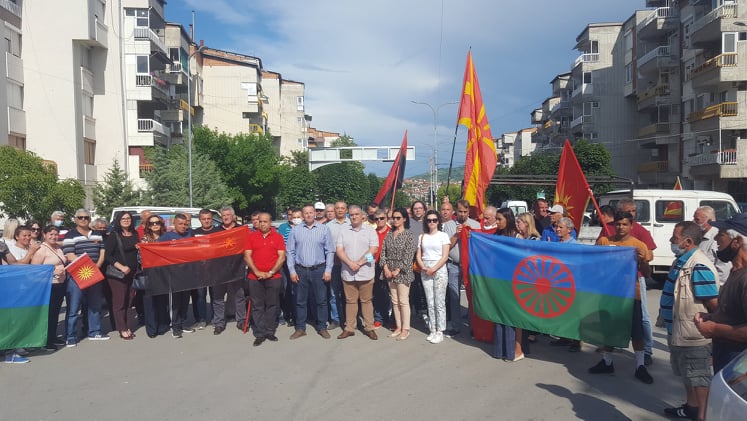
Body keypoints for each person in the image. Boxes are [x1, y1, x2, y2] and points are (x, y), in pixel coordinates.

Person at [660, 221, 719, 421]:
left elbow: (713, 304)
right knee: (687, 374)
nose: (671, 240)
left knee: (699, 377)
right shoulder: (681, 260)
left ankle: (702, 415)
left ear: (688, 241)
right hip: (677, 331)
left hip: (693, 335)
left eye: (675, 238)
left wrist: (712, 330)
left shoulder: (698, 265)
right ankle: (691, 407)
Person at [590, 211, 654, 384]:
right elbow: (594, 264)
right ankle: (607, 361)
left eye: (625, 224)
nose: (621, 227)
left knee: (636, 331)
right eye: (618, 224)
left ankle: (640, 365)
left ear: (631, 226)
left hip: (631, 294)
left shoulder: (639, 245)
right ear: (613, 225)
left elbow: (646, 274)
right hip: (609, 293)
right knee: (608, 329)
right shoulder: (604, 242)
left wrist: (643, 261)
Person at [695, 213, 747, 373]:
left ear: (736, 242)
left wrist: (715, 328)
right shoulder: (735, 271)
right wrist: (712, 317)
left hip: (739, 364)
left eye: (721, 234)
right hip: (726, 357)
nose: (716, 238)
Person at [614, 198, 657, 366]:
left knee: (642, 317)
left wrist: (642, 259)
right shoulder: (606, 236)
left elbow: (648, 255)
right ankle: (608, 356)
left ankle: (646, 351)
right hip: (613, 283)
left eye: (633, 211)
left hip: (635, 281)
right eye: (628, 211)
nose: (631, 214)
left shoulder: (640, 234)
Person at [286, 204, 335, 340]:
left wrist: (328, 270)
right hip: (300, 270)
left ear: (315, 214)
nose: (308, 215)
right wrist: (291, 271)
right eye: (305, 213)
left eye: (311, 212)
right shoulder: (296, 231)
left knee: (321, 300)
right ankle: (300, 328)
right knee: (300, 301)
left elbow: (330, 251)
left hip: (319, 269)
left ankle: (322, 327)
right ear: (302, 215)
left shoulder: (324, 229)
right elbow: (290, 251)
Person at [62, 209, 109, 346]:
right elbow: (69, 255)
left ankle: (94, 331)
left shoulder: (97, 234)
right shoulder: (69, 236)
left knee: (95, 305)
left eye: (86, 217)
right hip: (77, 275)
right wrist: (87, 269)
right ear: (75, 219)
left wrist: (96, 267)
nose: (83, 219)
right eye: (80, 217)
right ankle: (71, 336)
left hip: (94, 273)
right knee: (74, 307)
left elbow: (102, 251)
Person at [335, 205, 379, 340]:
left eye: (356, 214)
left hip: (365, 272)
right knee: (350, 301)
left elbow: (374, 250)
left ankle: (369, 327)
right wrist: (350, 263)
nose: (354, 217)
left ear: (362, 216)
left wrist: (360, 263)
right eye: (351, 214)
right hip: (348, 272)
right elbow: (339, 250)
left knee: (366, 301)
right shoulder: (343, 231)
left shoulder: (370, 231)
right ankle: (349, 328)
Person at [244, 212, 286, 346]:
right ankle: (260, 333)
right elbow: (247, 256)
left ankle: (269, 331)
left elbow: (281, 257)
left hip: (273, 277)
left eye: (265, 221)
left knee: (272, 305)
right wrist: (256, 272)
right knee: (257, 306)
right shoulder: (251, 237)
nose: (262, 224)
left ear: (270, 223)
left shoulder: (278, 237)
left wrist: (271, 272)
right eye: (260, 221)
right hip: (254, 278)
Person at [441, 200, 480, 337]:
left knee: (472, 295)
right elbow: (447, 247)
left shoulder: (475, 225)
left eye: (465, 212)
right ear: (455, 211)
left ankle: (473, 324)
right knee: (454, 295)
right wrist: (456, 235)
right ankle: (456, 325)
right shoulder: (449, 226)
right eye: (460, 211)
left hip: (470, 265)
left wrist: (472, 237)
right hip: (454, 265)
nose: (462, 214)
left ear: (468, 212)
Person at [493, 208, 525, 361]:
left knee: (513, 316)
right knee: (500, 314)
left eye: (499, 219)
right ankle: (501, 349)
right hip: (499, 280)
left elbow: (522, 260)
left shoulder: (517, 237)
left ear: (508, 219)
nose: (497, 222)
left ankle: (517, 349)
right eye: (496, 219)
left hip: (514, 281)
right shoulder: (496, 235)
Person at [380, 207, 417, 340]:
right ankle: (399, 326)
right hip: (389, 271)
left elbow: (409, 255)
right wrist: (385, 268)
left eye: (398, 218)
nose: (395, 220)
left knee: (403, 301)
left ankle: (406, 329)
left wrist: (398, 270)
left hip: (403, 272)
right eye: (393, 218)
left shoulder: (409, 235)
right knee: (394, 301)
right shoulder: (389, 234)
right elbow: (383, 251)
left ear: (404, 219)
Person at [30, 225, 68, 351]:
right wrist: (53, 271)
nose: (53, 236)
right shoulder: (41, 250)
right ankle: (46, 340)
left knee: (55, 313)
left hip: (60, 285)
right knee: (48, 314)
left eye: (56, 234)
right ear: (44, 234)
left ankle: (52, 335)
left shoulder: (58, 248)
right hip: (48, 286)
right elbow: (35, 271)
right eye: (51, 234)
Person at [104, 211, 140, 340]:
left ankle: (127, 325)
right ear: (118, 220)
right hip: (118, 274)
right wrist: (121, 267)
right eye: (123, 218)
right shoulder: (114, 235)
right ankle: (122, 329)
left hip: (133, 273)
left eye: (128, 218)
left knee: (129, 301)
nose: (126, 220)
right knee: (119, 302)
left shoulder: (135, 234)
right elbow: (108, 255)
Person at [158, 213, 195, 338]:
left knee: (185, 300)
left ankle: (183, 323)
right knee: (175, 302)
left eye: (185, 224)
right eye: (180, 224)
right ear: (174, 223)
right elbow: (156, 250)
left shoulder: (190, 234)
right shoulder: (167, 236)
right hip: (173, 275)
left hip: (188, 274)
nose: (183, 226)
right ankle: (175, 327)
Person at [417, 209, 451, 344]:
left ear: (438, 221)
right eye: (429, 220)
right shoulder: (422, 236)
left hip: (439, 269)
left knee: (439, 301)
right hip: (425, 268)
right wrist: (423, 267)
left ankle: (440, 330)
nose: (431, 222)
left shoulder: (443, 236)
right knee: (429, 300)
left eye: (434, 220)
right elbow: (419, 255)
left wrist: (434, 268)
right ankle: (432, 328)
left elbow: (445, 256)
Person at [215, 205, 246, 332]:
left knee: (239, 296)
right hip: (219, 270)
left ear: (233, 216)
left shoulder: (241, 230)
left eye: (228, 215)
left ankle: (241, 320)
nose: (226, 217)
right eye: (223, 215)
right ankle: (219, 323)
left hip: (237, 268)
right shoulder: (216, 232)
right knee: (218, 297)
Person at [141, 215, 171, 338]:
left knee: (162, 301)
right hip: (149, 273)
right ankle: (152, 329)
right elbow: (140, 258)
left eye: (157, 222)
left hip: (163, 273)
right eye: (152, 223)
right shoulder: (144, 240)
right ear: (148, 226)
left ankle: (163, 326)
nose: (155, 225)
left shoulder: (166, 238)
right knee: (150, 302)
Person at [192, 208, 221, 330]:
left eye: (209, 218)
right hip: (200, 270)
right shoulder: (194, 233)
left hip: (214, 269)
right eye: (204, 219)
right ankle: (202, 319)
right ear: (200, 220)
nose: (207, 221)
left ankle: (216, 318)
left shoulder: (219, 231)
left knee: (215, 295)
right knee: (200, 295)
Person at [325, 200, 350, 331]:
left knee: (348, 294)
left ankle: (349, 319)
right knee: (334, 294)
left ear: (346, 210)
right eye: (337, 208)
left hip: (349, 265)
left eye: (342, 208)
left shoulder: (353, 224)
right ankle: (335, 319)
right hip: (334, 265)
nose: (340, 210)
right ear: (334, 210)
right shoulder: (328, 226)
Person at [693, 206, 731, 286]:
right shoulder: (698, 236)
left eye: (697, 219)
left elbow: (723, 269)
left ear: (709, 221)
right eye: (694, 218)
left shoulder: (717, 239)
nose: (693, 222)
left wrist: (714, 288)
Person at [408, 201, 428, 325]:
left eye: (420, 208)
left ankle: (424, 309)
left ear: (424, 210)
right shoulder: (408, 223)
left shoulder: (429, 222)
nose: (418, 210)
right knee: (412, 285)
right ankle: (413, 309)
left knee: (425, 285)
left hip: (426, 258)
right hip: (411, 258)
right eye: (415, 208)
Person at [372, 208, 391, 329]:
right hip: (375, 266)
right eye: (376, 219)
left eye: (382, 218)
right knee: (378, 293)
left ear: (386, 218)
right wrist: (370, 260)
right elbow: (367, 251)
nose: (379, 221)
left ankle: (389, 318)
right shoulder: (371, 233)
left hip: (389, 267)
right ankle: (378, 317)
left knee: (390, 294)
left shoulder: (392, 232)